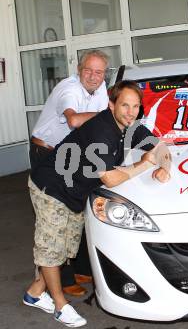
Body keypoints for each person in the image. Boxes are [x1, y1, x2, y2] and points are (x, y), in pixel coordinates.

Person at [23, 80, 171, 327]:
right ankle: (60, 306)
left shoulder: (130, 126)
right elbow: (111, 179)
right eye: (125, 105)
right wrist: (146, 164)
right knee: (51, 248)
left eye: (135, 106)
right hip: (52, 186)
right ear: (112, 104)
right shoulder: (101, 132)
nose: (130, 111)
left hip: (75, 191)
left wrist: (165, 167)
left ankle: (35, 293)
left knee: (64, 248)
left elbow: (160, 146)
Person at [29, 49, 110, 296]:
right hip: (47, 153)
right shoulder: (70, 89)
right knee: (55, 219)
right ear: (79, 70)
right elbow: (74, 120)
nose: (93, 76)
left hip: (72, 155)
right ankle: (60, 282)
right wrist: (110, 116)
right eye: (88, 71)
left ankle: (79, 269)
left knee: (79, 212)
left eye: (99, 72)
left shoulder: (101, 86)